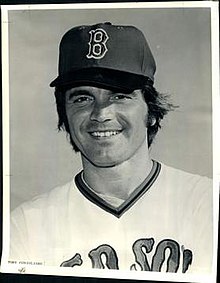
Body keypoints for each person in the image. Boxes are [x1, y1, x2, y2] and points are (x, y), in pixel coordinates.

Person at [10, 22, 213, 275]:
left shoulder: (207, 204)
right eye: (83, 98)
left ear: (150, 112)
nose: (101, 113)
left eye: (119, 96)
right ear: (65, 115)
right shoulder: (27, 226)